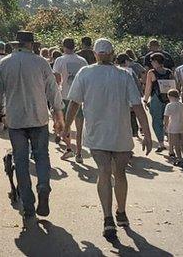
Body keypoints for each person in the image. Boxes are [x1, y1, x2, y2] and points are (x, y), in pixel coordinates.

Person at [63, 38, 152, 239]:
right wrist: (146, 133)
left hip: (96, 133)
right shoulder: (124, 75)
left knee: (103, 171)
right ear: (112, 53)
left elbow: (74, 103)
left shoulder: (85, 73)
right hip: (121, 133)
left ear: (95, 54)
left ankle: (107, 218)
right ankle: (121, 212)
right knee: (120, 173)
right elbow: (137, 106)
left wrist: (67, 127)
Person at [0, 31, 64, 220]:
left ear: (17, 44)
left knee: (21, 161)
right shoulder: (41, 62)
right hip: (38, 116)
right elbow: (52, 89)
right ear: (32, 45)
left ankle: (28, 202)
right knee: (41, 156)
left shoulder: (4, 63)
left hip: (16, 119)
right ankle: (43, 185)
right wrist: (58, 114)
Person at [53, 38, 89, 163]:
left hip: (64, 95)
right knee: (79, 127)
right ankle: (79, 153)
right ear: (75, 46)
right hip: (79, 96)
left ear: (63, 46)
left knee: (63, 125)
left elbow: (57, 79)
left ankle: (69, 148)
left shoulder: (59, 60)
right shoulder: (82, 61)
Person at [142, 52, 175, 153]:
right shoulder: (169, 72)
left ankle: (161, 144)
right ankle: (172, 146)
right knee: (168, 121)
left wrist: (145, 99)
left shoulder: (151, 73)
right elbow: (174, 86)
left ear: (156, 61)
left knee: (156, 121)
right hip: (169, 98)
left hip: (156, 99)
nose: (151, 63)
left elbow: (148, 87)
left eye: (152, 61)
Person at [164, 89, 183, 166]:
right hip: (182, 126)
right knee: (182, 143)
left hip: (173, 127)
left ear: (170, 96)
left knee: (176, 144)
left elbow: (166, 117)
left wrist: (166, 126)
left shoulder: (169, 105)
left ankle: (179, 158)